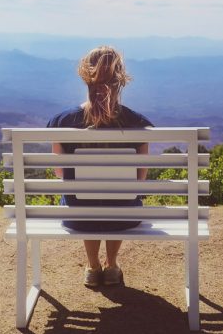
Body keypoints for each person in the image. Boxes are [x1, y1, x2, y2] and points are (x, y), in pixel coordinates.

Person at [47, 45, 153, 288]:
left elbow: (60, 172)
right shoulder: (137, 123)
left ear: (86, 79)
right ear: (121, 81)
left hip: (78, 216)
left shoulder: (61, 122)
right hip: (124, 216)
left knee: (81, 199)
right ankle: (112, 266)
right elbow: (140, 179)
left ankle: (93, 267)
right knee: (121, 199)